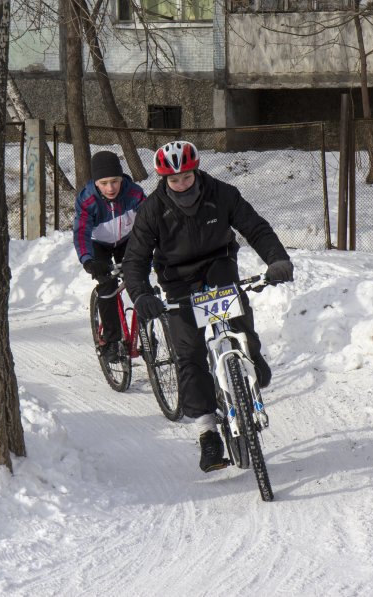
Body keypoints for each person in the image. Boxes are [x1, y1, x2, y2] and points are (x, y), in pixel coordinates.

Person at [121, 140, 294, 473]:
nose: (182, 184)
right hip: (177, 281)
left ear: (196, 171)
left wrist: (277, 260)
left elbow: (255, 228)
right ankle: (207, 433)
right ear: (164, 179)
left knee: (240, 320)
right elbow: (136, 258)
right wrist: (142, 293)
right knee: (189, 353)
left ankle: (251, 356)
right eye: (174, 180)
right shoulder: (153, 209)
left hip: (218, 264)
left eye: (186, 177)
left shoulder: (221, 193)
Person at [73, 150, 147, 363]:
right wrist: (88, 260)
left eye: (114, 181)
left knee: (139, 281)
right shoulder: (88, 200)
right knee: (108, 286)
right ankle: (112, 341)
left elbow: (151, 221)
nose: (110, 188)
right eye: (103, 183)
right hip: (99, 245)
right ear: (96, 183)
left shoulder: (134, 193)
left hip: (128, 240)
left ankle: (149, 331)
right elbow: (81, 232)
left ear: (121, 178)